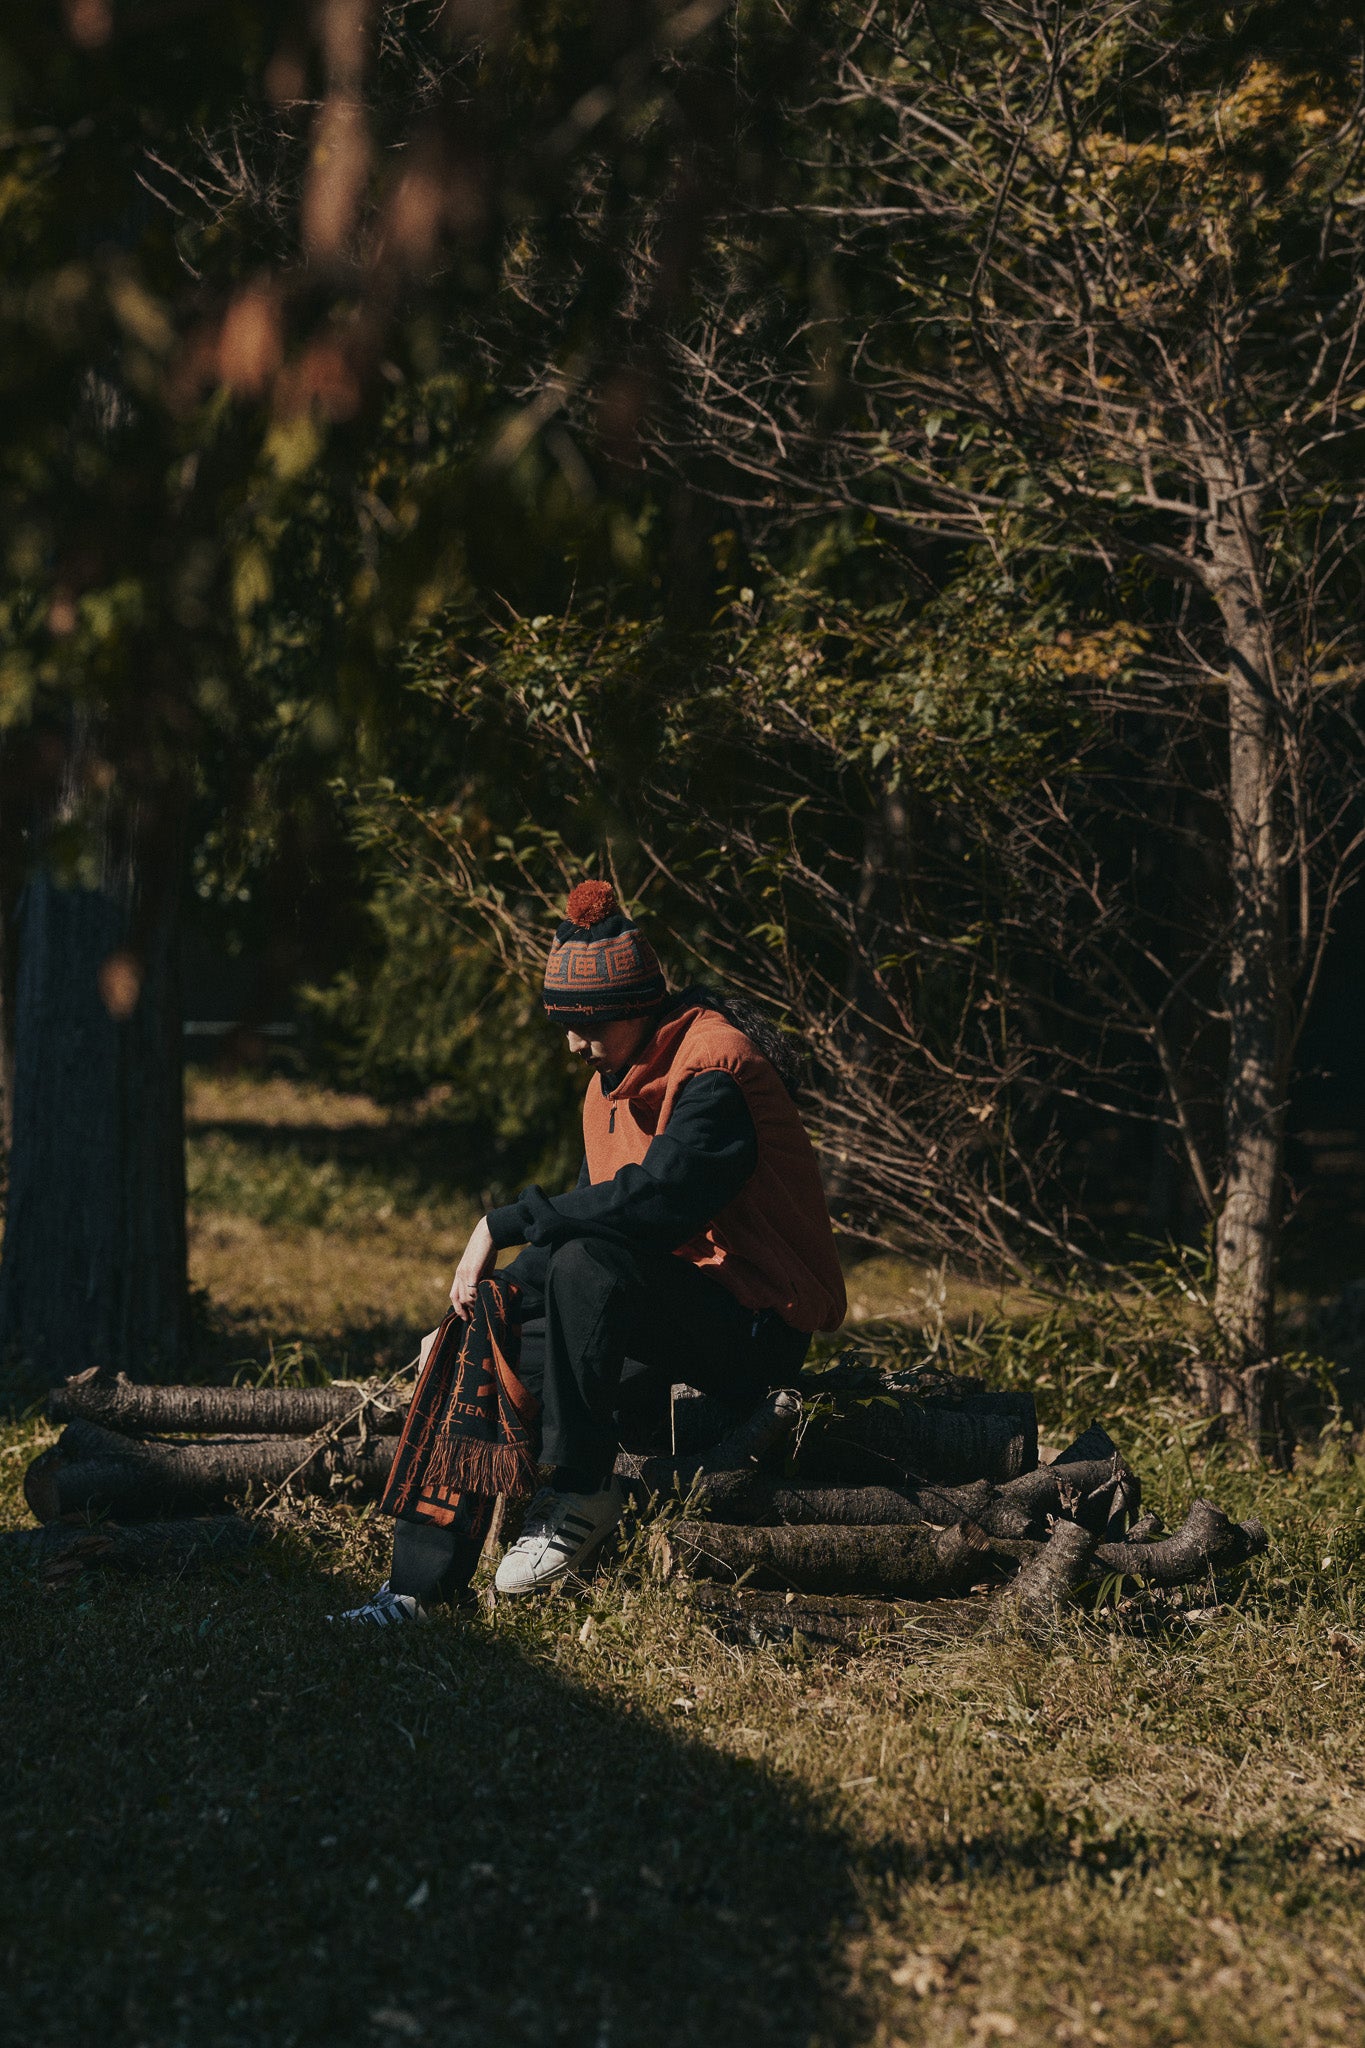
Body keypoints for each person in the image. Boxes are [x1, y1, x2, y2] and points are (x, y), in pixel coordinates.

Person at [336, 879, 846, 1624]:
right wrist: (489, 1303)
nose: (574, 1043)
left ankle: (582, 1487)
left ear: (638, 1009)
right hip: (659, 1312)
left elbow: (655, 1201)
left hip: (750, 1329)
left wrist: (505, 1221)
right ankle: (421, 1591)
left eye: (590, 1025)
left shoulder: (717, 1071)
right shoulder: (609, 1081)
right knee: (483, 1337)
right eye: (567, 1026)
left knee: (585, 1265)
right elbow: (587, 1221)